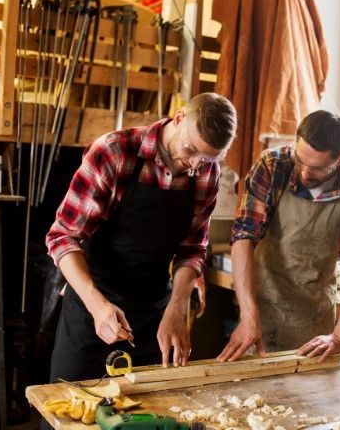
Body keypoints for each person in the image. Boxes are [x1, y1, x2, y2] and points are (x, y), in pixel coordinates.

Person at [45, 92, 237, 383]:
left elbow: (193, 248)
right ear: (180, 117)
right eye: (190, 149)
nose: (195, 165)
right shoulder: (114, 152)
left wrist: (177, 306)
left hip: (153, 313)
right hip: (92, 306)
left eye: (208, 157)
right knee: (71, 411)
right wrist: (97, 306)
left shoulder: (207, 172)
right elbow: (63, 237)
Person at [219, 110, 340, 362]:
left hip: (315, 316)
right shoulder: (274, 166)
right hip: (263, 308)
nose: (304, 174)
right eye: (299, 160)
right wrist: (249, 317)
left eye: (316, 168)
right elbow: (243, 237)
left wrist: (338, 337)